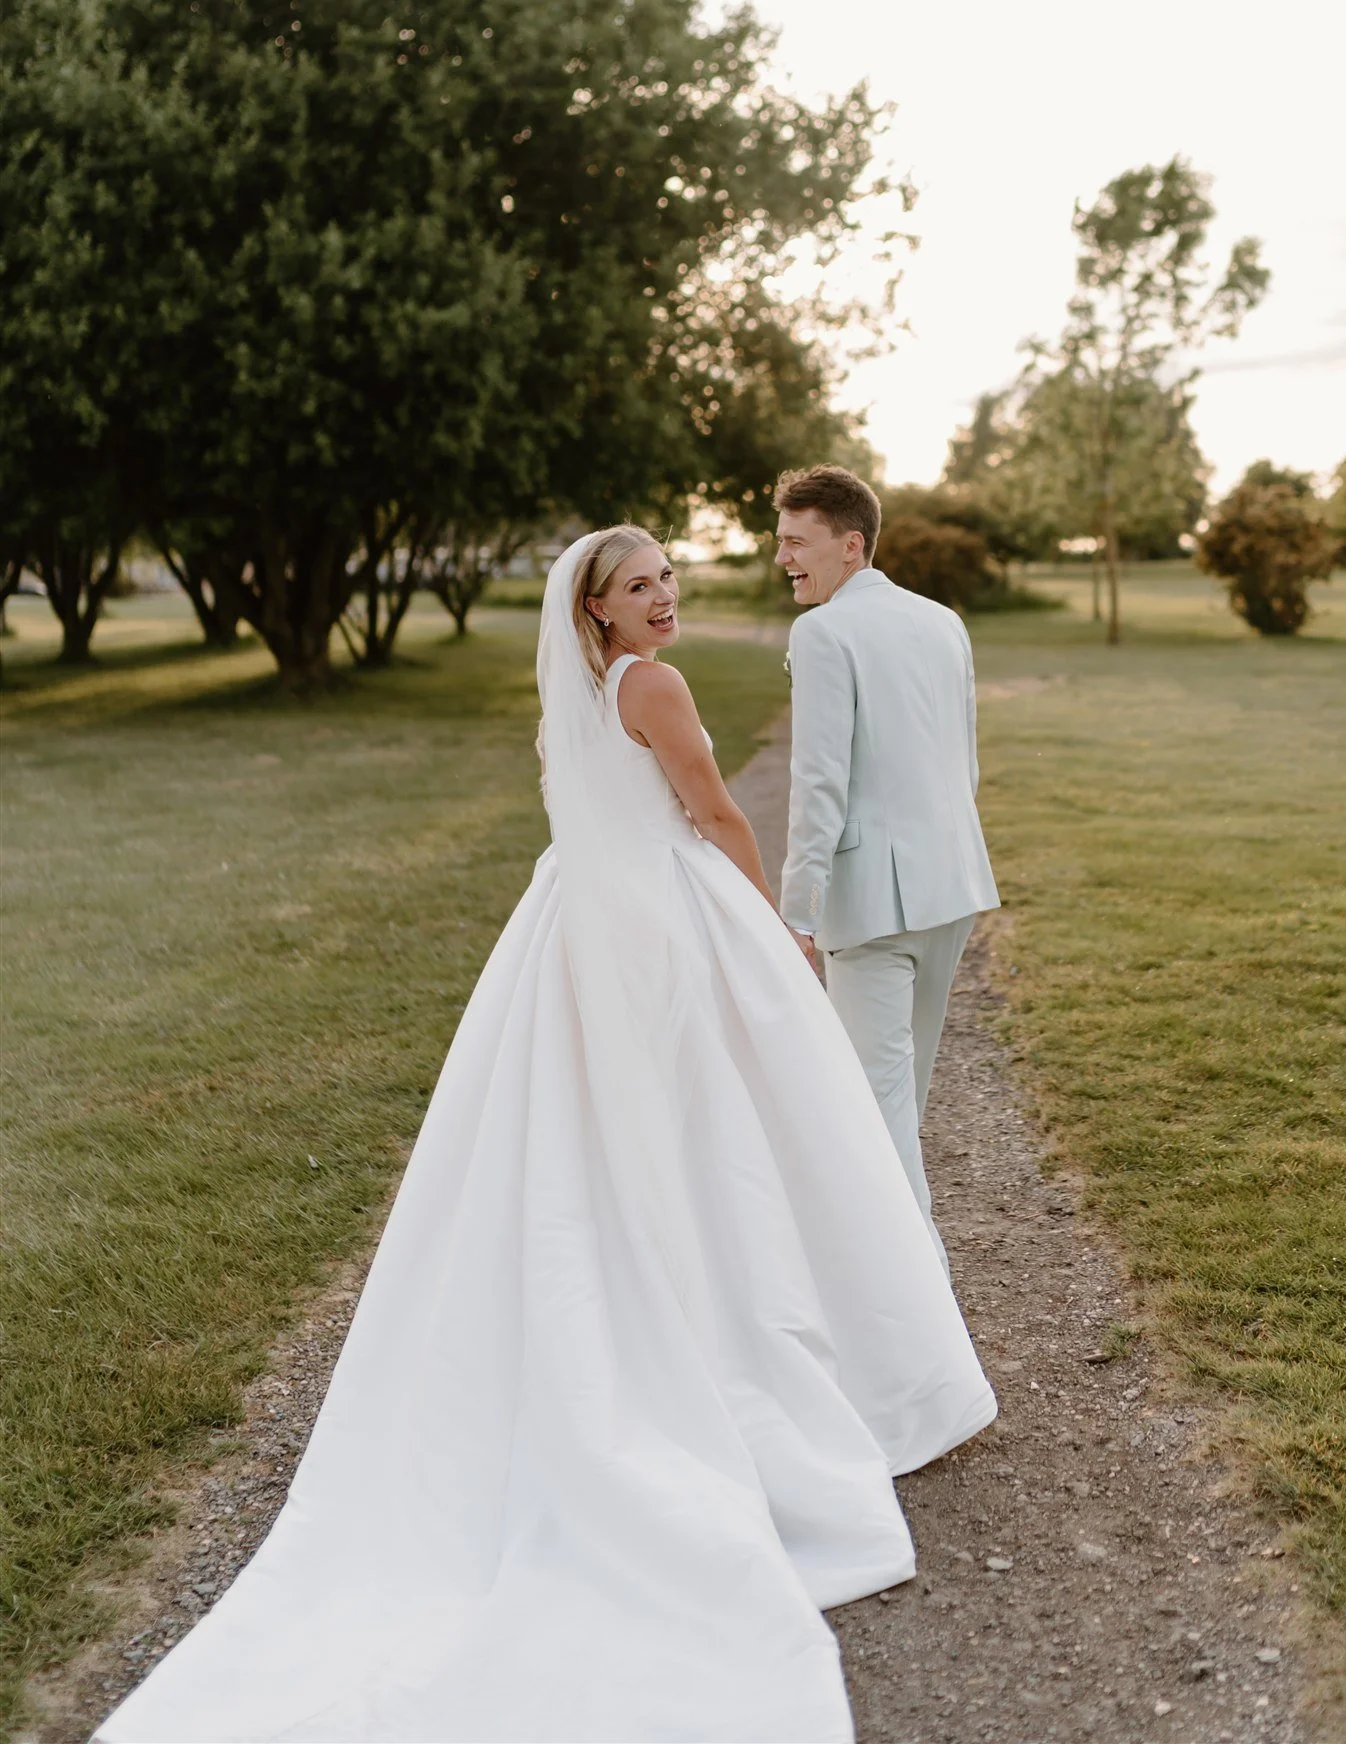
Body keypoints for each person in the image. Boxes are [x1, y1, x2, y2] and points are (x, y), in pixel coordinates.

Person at [98, 525, 996, 1744]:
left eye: (668, 578)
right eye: (639, 587)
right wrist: (771, 929)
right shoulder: (653, 684)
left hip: (577, 916)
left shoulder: (578, 696)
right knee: (749, 1128)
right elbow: (717, 811)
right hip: (670, 917)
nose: (663, 597)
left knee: (599, 1131)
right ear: (597, 611)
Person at [774, 466, 1000, 1261]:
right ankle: (899, 1286)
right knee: (897, 1105)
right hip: (952, 887)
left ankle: (915, 1304)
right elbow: (962, 765)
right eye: (779, 541)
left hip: (870, 906)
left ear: (850, 544)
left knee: (875, 1115)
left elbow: (818, 785)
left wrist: (795, 913)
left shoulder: (823, 632)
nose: (783, 558)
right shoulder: (943, 621)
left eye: (796, 542)